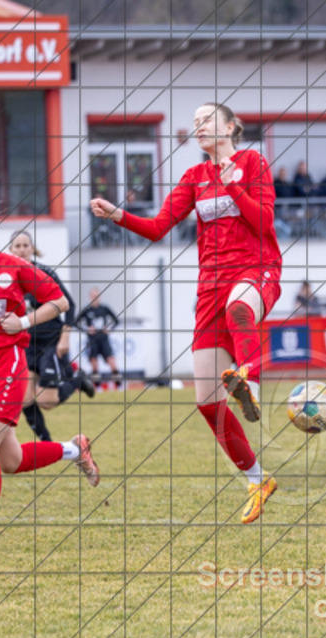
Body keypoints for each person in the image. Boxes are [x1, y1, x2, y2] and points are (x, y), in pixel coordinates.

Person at [89, 101, 281, 525]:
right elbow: (159, 227)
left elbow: (265, 222)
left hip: (255, 270)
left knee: (240, 309)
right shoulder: (194, 177)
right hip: (209, 287)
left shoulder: (252, 162)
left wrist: (234, 186)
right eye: (194, 123)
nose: (198, 127)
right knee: (206, 403)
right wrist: (117, 214)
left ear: (231, 126)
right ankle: (257, 479)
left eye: (206, 119)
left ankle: (247, 376)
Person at [0, 202, 98, 553]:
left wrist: (24, 322)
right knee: (9, 461)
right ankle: (75, 449)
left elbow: (59, 302)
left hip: (6, 363)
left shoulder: (12, 267)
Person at [9, 231, 96, 442]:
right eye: (17, 246)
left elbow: (70, 305)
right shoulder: (6, 278)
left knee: (47, 402)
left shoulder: (43, 272)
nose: (21, 250)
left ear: (32, 248)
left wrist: (65, 337)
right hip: (27, 346)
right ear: (11, 250)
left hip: (51, 342)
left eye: (25, 245)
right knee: (25, 398)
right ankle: (46, 443)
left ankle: (77, 379)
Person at [76, 287, 121, 386]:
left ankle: (118, 385)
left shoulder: (104, 309)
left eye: (96, 296)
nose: (94, 298)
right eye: (92, 296)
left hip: (104, 340)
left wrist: (109, 328)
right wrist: (86, 329)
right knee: (94, 364)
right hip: (92, 340)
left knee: (112, 362)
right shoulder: (87, 310)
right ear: (90, 297)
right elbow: (76, 322)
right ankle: (97, 387)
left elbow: (116, 321)